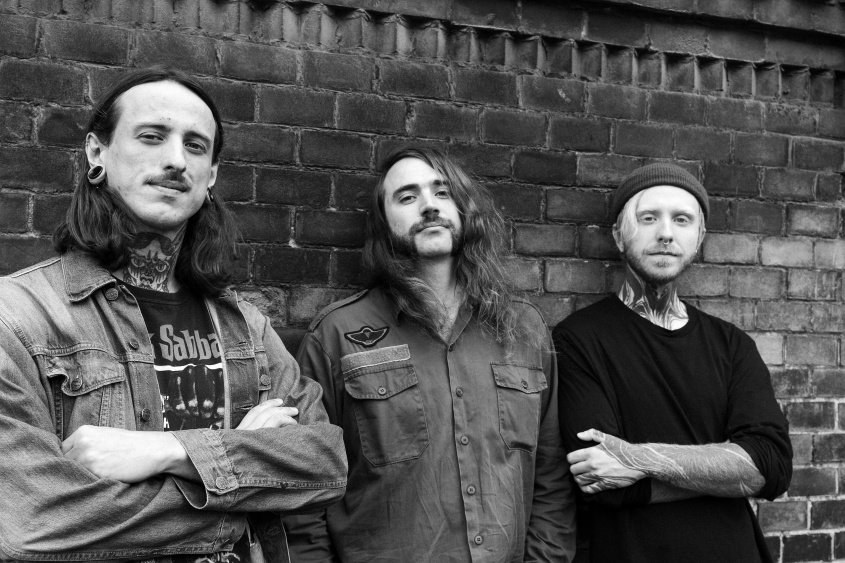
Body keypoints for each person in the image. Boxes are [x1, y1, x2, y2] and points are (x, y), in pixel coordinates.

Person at [0, 67, 347, 562]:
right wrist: (244, 481)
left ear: (211, 177)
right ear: (97, 153)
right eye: (151, 136)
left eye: (195, 146)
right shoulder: (18, 317)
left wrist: (175, 451)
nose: (175, 160)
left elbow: (326, 463)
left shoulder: (245, 326)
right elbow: (30, 522)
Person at [283, 147, 575, 562]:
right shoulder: (336, 335)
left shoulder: (523, 328)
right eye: (407, 197)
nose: (429, 206)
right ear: (383, 222)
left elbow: (551, 476)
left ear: (463, 208)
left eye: (442, 192)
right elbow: (303, 492)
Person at [554, 162, 792, 563]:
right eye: (648, 218)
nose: (665, 232)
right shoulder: (578, 340)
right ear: (618, 235)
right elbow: (604, 482)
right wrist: (729, 473)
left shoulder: (732, 344)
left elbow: (773, 467)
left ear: (699, 237)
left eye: (682, 220)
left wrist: (638, 459)